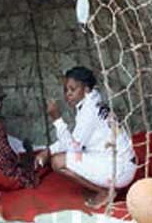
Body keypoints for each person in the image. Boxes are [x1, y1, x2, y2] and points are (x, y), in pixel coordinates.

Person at [35, 66, 136, 208]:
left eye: (72, 89)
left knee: (57, 162)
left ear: (86, 89)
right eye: (66, 90)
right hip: (121, 164)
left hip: (119, 169)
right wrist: (48, 150)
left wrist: (57, 120)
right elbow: (75, 140)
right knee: (67, 154)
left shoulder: (89, 110)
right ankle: (106, 187)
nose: (68, 94)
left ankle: (105, 192)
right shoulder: (92, 102)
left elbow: (72, 147)